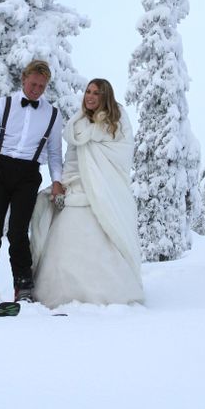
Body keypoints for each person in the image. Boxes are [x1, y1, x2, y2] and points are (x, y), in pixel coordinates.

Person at [30, 78, 144, 307]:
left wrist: (98, 182)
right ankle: (60, 295)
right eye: (88, 91)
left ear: (106, 97)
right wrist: (62, 182)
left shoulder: (117, 123)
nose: (90, 96)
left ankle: (110, 294)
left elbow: (121, 158)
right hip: (77, 192)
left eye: (96, 93)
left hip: (105, 193)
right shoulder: (77, 125)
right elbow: (71, 160)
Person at [0, 60, 65, 306]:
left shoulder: (53, 115)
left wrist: (57, 181)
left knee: (18, 232)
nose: (36, 90)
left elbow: (55, 154)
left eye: (41, 86)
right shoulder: (2, 105)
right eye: (33, 84)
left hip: (28, 175)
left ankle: (23, 288)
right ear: (23, 79)